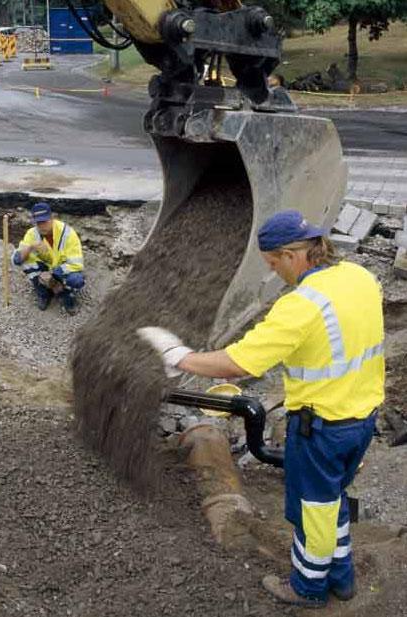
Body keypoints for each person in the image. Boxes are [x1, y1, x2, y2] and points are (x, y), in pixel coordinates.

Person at [138, 209, 385, 608]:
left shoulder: (302, 305)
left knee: (313, 511)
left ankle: (307, 588)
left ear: (291, 255)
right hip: (361, 418)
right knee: (333, 500)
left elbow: (238, 363)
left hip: (322, 427)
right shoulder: (358, 277)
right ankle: (343, 578)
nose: (274, 273)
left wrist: (180, 356)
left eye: (273, 264)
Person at [12, 202, 85, 314]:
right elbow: (17, 260)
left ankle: (65, 293)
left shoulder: (68, 234)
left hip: (62, 270)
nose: (42, 226)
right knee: (26, 261)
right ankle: (43, 292)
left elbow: (76, 264)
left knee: (76, 280)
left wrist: (53, 275)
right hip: (45, 269)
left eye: (44, 221)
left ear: (52, 218)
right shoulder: (32, 234)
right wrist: (31, 247)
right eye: (38, 222)